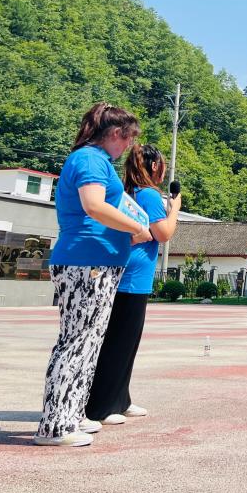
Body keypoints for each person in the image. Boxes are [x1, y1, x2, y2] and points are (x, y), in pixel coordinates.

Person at [35, 103, 148, 447]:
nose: (128, 146)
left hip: (97, 262)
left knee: (89, 342)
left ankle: (72, 412)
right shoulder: (90, 159)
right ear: (114, 133)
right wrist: (136, 228)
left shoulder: (96, 160)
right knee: (76, 342)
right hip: (86, 262)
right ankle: (56, 425)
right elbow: (94, 205)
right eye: (127, 138)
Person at [85, 144, 181, 425]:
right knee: (120, 344)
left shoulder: (128, 193)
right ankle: (102, 407)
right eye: (162, 166)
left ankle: (120, 399)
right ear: (155, 166)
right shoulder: (149, 195)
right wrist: (175, 209)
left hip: (124, 274)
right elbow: (163, 233)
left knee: (122, 342)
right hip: (132, 280)